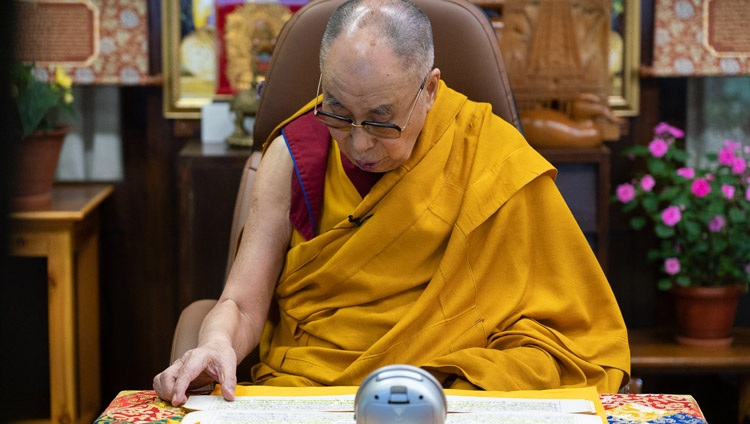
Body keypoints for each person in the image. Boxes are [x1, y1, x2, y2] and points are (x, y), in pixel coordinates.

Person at [154, 0, 630, 406]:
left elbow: (567, 325)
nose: (358, 145)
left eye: (381, 121)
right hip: (316, 389)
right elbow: (240, 302)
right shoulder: (295, 153)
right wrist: (217, 343)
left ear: (430, 89)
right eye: (338, 112)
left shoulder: (487, 152)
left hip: (448, 392)